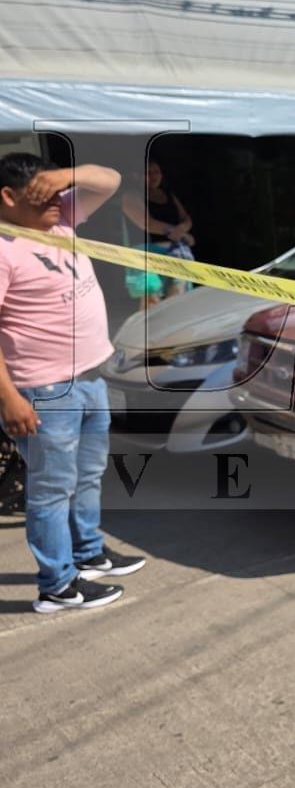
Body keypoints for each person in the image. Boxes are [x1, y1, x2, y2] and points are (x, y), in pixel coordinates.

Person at [0, 154, 145, 614]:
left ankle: (88, 554)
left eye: (57, 193)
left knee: (87, 476)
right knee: (50, 490)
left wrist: (64, 177)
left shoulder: (59, 218)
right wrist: (9, 399)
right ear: (7, 198)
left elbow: (112, 178)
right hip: (44, 392)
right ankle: (58, 585)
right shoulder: (3, 248)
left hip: (88, 379)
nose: (55, 202)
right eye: (40, 195)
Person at [120, 159, 195, 308]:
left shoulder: (168, 194)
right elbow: (146, 223)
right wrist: (177, 233)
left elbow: (186, 218)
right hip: (146, 255)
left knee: (177, 298)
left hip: (175, 253)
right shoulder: (130, 196)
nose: (153, 176)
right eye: (148, 172)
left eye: (156, 172)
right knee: (151, 300)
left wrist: (183, 229)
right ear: (136, 175)